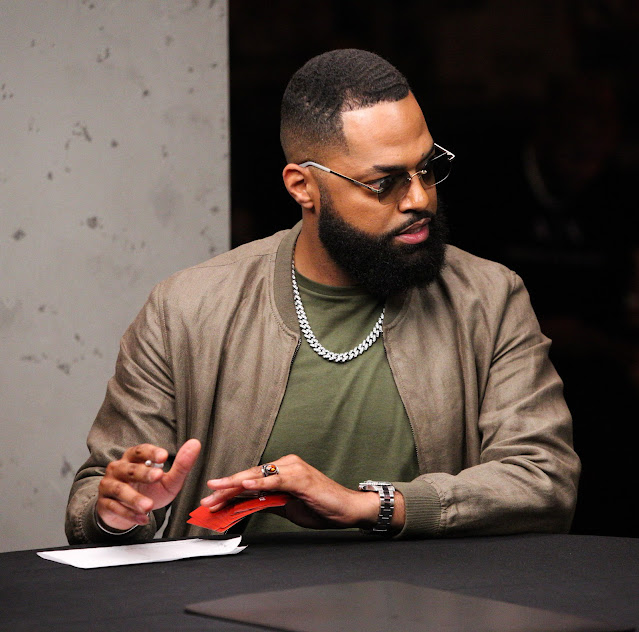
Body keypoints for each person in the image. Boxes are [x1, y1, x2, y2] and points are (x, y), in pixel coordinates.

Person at [65, 49, 579, 544]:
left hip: (427, 597)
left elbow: (544, 481)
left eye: (426, 168)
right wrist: (119, 512)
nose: (420, 198)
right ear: (302, 187)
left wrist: (370, 506)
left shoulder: (488, 299)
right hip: (225, 598)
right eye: (384, 183)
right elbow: (95, 496)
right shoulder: (186, 310)